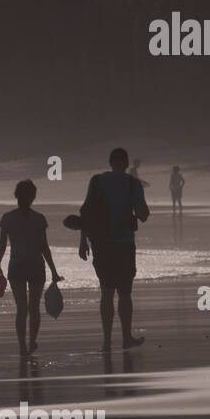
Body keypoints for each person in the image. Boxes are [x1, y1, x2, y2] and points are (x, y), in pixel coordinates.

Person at [78, 148, 149, 350]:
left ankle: (107, 341)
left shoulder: (97, 180)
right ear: (126, 163)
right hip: (124, 244)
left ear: (110, 162)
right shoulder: (132, 183)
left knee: (106, 293)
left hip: (101, 244)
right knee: (125, 293)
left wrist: (83, 241)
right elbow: (143, 214)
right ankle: (126, 338)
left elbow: (86, 211)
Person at [0, 180, 62, 355]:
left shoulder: (8, 218)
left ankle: (22, 345)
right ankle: (31, 341)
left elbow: (2, 245)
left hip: (17, 266)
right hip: (35, 266)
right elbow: (44, 247)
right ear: (33, 197)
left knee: (22, 308)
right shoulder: (39, 219)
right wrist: (54, 271)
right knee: (34, 308)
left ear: (16, 196)